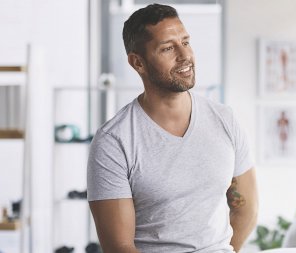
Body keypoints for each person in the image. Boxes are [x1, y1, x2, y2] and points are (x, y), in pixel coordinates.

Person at [87, 4, 258, 253]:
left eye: (186, 42)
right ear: (138, 63)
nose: (184, 55)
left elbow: (246, 207)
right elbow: (119, 247)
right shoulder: (113, 142)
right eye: (168, 48)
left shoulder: (224, 119)